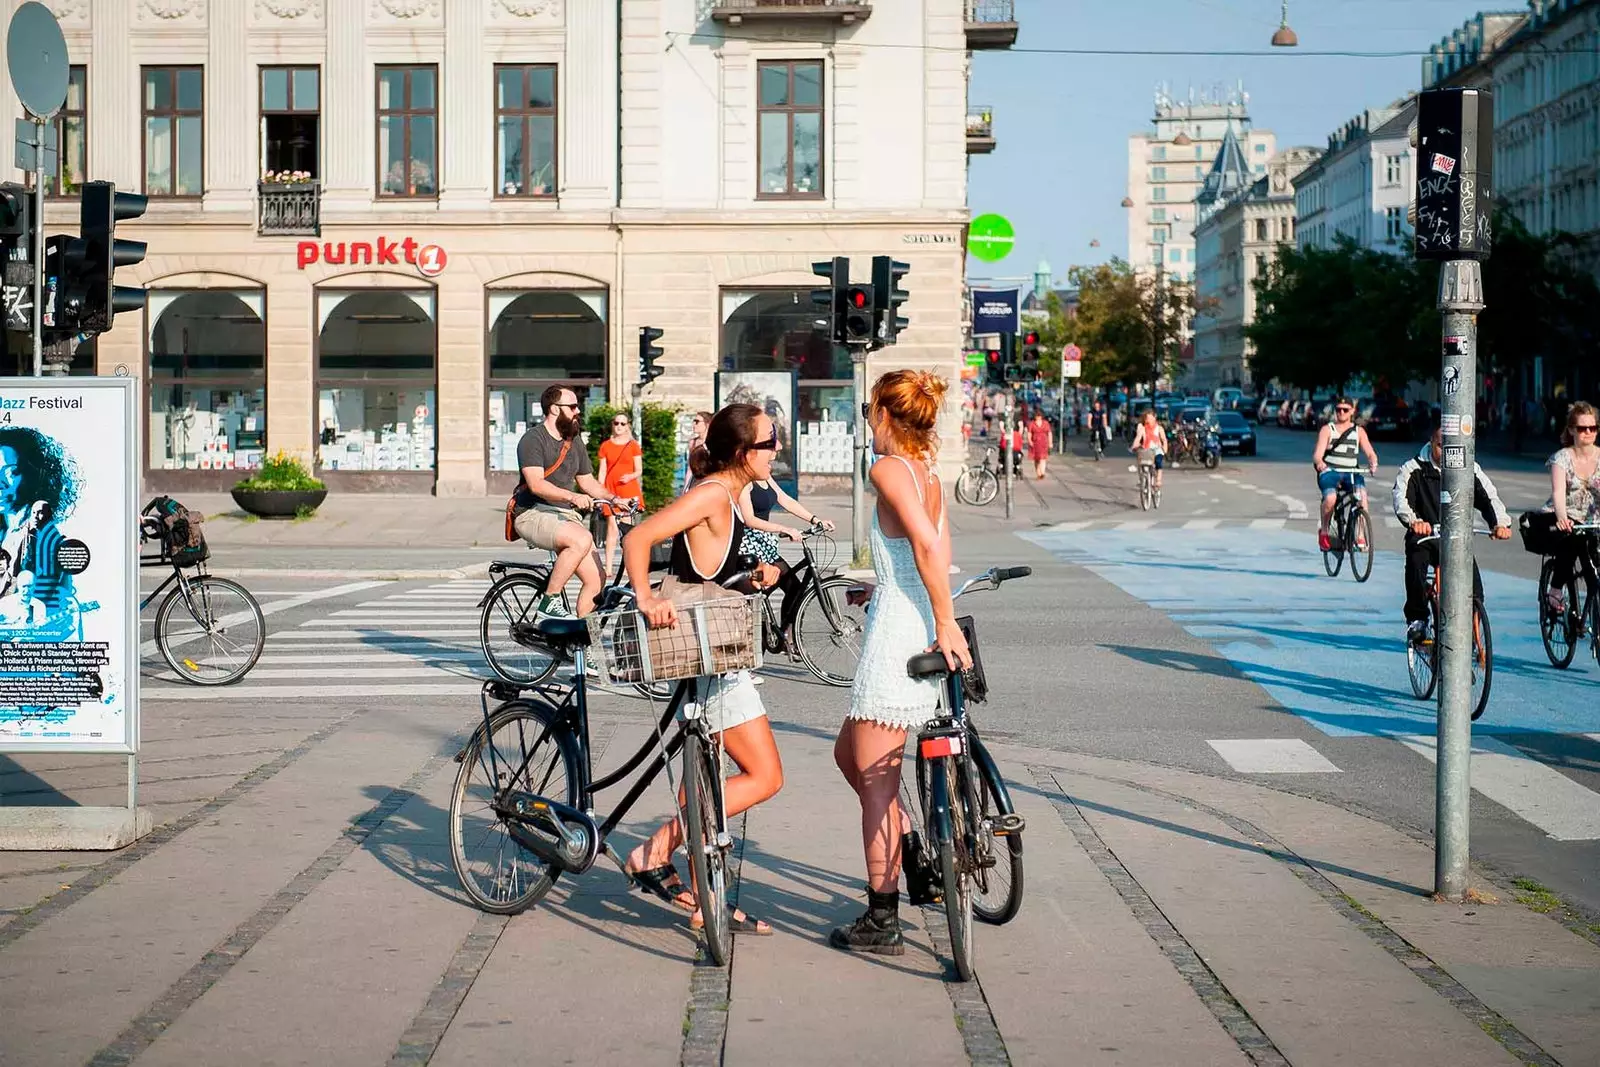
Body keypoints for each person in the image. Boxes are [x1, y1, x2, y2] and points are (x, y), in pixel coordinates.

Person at [620, 403, 786, 936]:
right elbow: (637, 538)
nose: (776, 449)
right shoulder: (713, 494)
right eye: (769, 442)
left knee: (707, 780)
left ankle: (703, 902)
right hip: (709, 659)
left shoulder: (733, 496)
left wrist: (758, 573)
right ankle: (655, 851)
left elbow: (714, 566)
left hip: (716, 651)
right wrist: (645, 598)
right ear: (742, 452)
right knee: (764, 776)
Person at [831, 370, 972, 956]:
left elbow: (925, 545)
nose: (866, 419)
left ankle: (882, 916)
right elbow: (930, 554)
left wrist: (942, 622)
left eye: (868, 410)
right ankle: (918, 861)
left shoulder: (887, 469)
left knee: (875, 782)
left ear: (886, 416)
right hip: (907, 614)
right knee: (850, 755)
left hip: (901, 637)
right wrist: (882, 587)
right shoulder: (928, 475)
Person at [510, 386, 624, 619]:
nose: (577, 410)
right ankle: (550, 599)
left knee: (597, 580)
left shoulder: (574, 440)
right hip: (532, 512)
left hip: (565, 516)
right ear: (554, 409)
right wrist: (572, 497)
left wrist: (615, 499)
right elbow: (536, 484)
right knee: (582, 538)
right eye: (572, 406)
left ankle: (581, 647)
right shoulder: (533, 439)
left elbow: (587, 481)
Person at [1392, 426, 1513, 641]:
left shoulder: (1468, 468)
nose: (1447, 452)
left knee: (1474, 590)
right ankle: (1417, 619)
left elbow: (1488, 497)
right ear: (1431, 442)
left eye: (1452, 447)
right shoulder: (1413, 468)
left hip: (1457, 538)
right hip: (1426, 536)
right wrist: (1415, 521)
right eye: (1441, 445)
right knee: (1415, 563)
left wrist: (1500, 523)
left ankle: (1472, 631)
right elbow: (1401, 499)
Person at [1541, 401, 1600, 612]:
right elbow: (1558, 492)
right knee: (1572, 541)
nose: (1588, 433)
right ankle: (1556, 588)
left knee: (1594, 570)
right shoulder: (1562, 458)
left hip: (1594, 520)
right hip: (1566, 515)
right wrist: (1562, 518)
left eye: (1593, 428)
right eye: (1583, 428)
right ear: (1572, 430)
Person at [1312, 396, 1379, 552]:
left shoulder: (1359, 431)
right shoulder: (1327, 429)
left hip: (1352, 472)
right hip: (1330, 472)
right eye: (1338, 409)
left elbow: (1370, 452)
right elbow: (1317, 454)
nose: (1341, 412)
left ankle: (1360, 536)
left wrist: (1373, 462)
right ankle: (1324, 532)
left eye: (1345, 410)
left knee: (1362, 497)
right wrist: (1320, 463)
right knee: (1330, 498)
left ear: (1352, 411)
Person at [596, 412, 645, 576]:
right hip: (611, 490)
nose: (619, 426)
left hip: (628, 490)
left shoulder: (633, 445)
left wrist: (630, 476)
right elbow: (602, 471)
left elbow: (639, 470)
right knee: (612, 528)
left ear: (628, 426)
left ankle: (627, 566)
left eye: (623, 424)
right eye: (616, 423)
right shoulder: (605, 446)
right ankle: (608, 567)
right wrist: (599, 491)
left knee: (627, 529)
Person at [1129, 409, 1168, 494]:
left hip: (1157, 450)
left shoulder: (1159, 428)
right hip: (1146, 449)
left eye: (1150, 418)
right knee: (1141, 463)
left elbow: (1164, 440)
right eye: (1147, 419)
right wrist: (1133, 446)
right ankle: (1143, 481)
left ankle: (1158, 480)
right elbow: (1138, 438)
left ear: (1154, 418)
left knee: (1158, 462)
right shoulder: (1143, 428)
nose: (1148, 421)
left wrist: (1165, 449)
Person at [683, 410, 713, 492]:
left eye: (697, 422)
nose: (694, 425)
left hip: (710, 480)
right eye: (693, 421)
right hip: (695, 481)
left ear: (707, 424)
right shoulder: (692, 443)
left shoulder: (712, 442)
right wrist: (685, 488)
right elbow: (690, 468)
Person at [1027, 409, 1052, 480]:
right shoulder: (1032, 423)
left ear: (1041, 416)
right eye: (1037, 416)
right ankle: (1038, 473)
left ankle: (1042, 473)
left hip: (1044, 442)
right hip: (1035, 443)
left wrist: (1050, 442)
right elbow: (1029, 433)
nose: (1038, 417)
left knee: (1043, 458)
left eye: (1039, 416)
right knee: (1036, 459)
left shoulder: (1046, 423)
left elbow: (1049, 433)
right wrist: (1030, 441)